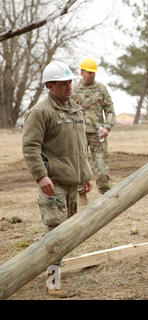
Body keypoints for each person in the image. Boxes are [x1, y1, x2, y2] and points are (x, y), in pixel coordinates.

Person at [22, 61, 93, 297]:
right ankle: (53, 283)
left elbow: (81, 147)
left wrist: (87, 175)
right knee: (55, 232)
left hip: (74, 183)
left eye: (69, 82)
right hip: (54, 184)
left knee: (67, 234)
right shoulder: (41, 112)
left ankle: (36, 264)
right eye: (63, 84)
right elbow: (31, 147)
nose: (69, 87)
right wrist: (41, 176)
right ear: (50, 86)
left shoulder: (74, 109)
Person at [72, 58, 116, 204]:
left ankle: (106, 196)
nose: (91, 75)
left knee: (101, 166)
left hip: (98, 134)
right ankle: (81, 194)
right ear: (82, 72)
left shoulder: (101, 89)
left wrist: (107, 126)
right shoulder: (74, 90)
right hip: (79, 134)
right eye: (88, 72)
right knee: (79, 166)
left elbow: (110, 110)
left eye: (93, 73)